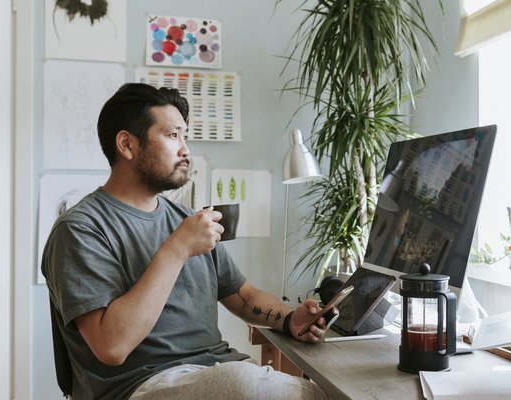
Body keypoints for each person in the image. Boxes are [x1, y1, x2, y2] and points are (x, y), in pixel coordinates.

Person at [42, 83, 330, 400]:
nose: (185, 150)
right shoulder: (80, 229)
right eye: (172, 135)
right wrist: (177, 248)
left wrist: (290, 319)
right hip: (138, 388)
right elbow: (112, 346)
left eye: (185, 136)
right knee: (249, 385)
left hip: (215, 372)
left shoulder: (186, 219)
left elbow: (242, 294)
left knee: (317, 387)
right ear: (127, 144)